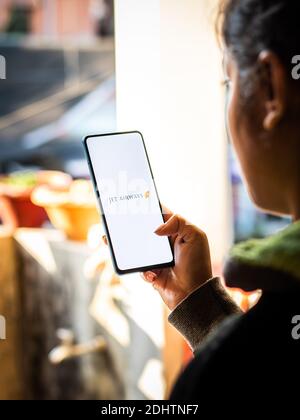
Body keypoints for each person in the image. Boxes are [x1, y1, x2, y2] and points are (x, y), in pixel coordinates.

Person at [139, 0, 300, 408]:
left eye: (228, 83)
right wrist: (198, 305)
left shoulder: (216, 378)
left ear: (270, 89)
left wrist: (223, 352)